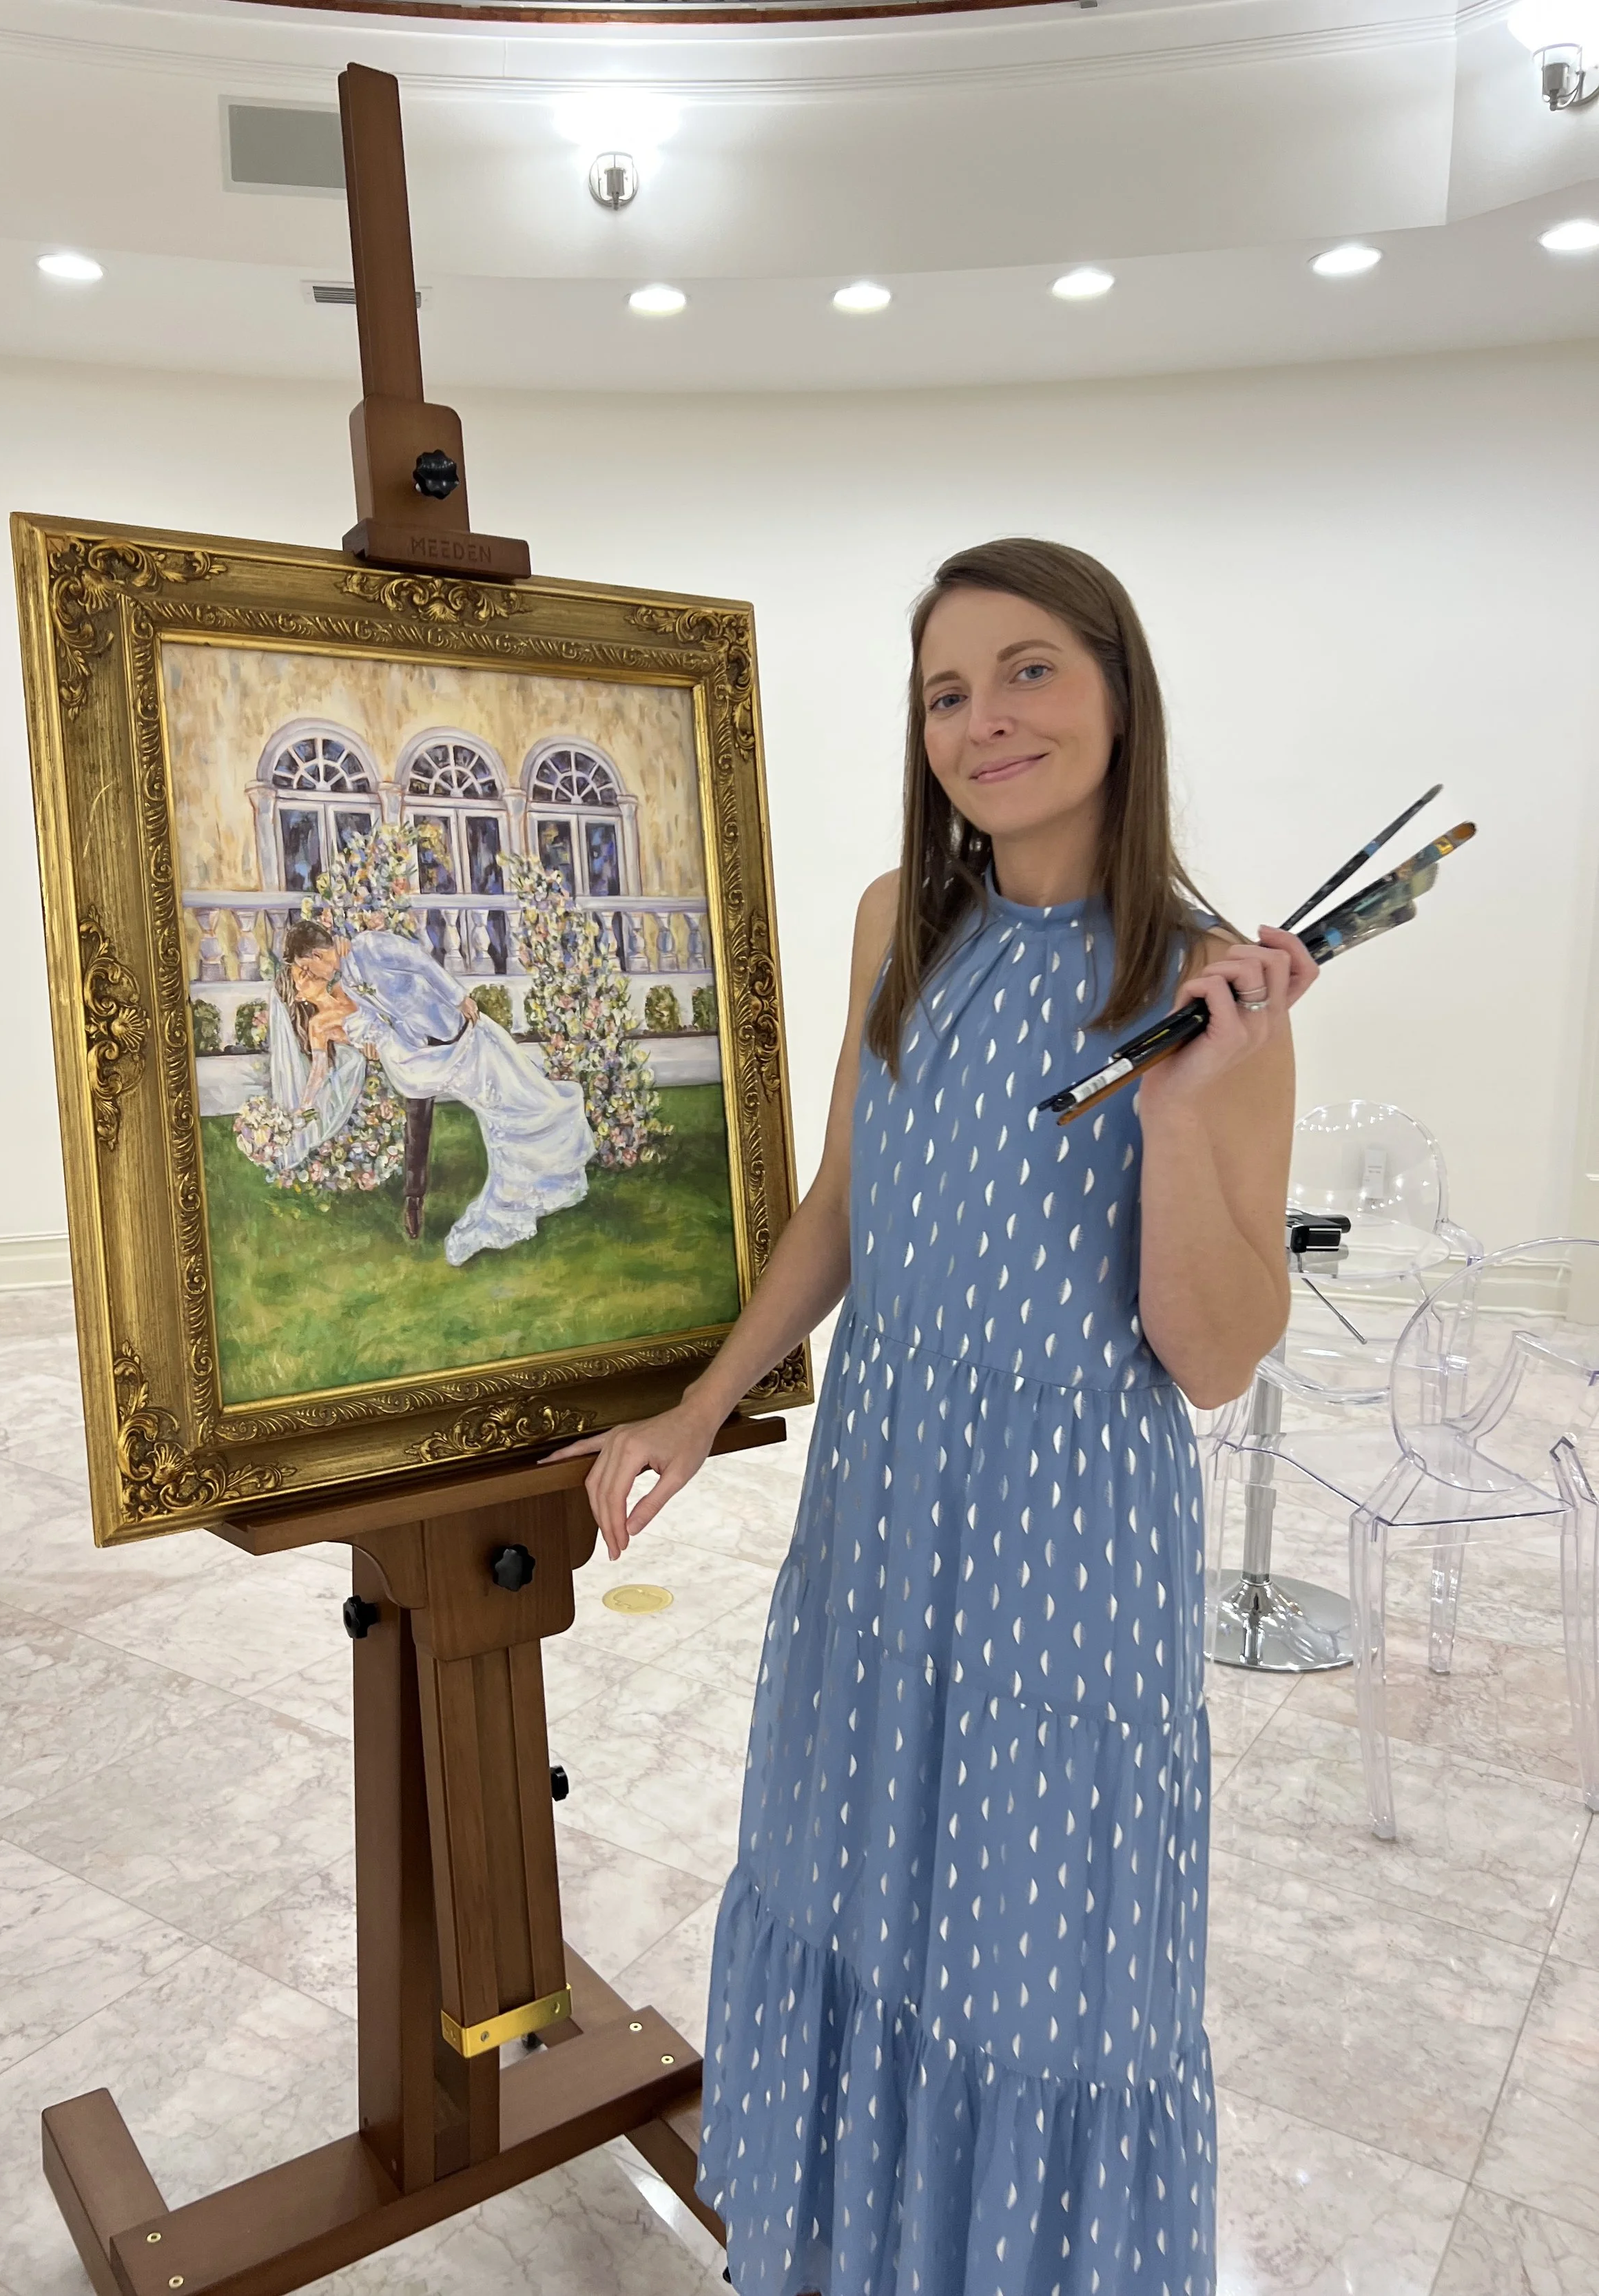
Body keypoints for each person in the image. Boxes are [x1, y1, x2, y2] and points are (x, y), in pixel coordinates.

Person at [550, 539, 1317, 2295]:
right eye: (948, 692)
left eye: (1030, 670)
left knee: (1038, 1964)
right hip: (883, 1502)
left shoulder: (1214, 986)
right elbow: (844, 1199)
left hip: (1068, 1538)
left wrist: (1190, 1102)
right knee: (860, 1898)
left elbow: (1214, 1357)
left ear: (1120, 691)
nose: (987, 720)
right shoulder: (901, 919)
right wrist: (700, 1401)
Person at [277, 920, 596, 1265]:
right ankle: (424, 1200)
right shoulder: (349, 982)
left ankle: (545, 1176)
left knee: (524, 1104)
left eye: (309, 967)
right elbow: (378, 1019)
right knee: (468, 1115)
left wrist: (460, 997)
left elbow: (421, 962)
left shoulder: (371, 945)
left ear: (317, 953)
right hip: (425, 1052)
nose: (312, 975)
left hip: (462, 1035)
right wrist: (371, 1041)